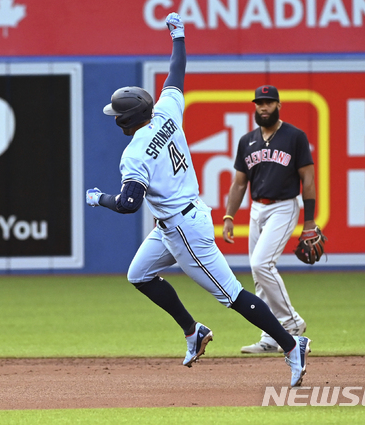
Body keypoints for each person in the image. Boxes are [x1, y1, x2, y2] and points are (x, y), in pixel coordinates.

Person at [86, 13, 310, 387]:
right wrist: (179, 36)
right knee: (139, 274)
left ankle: (291, 345)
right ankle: (194, 331)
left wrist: (99, 199)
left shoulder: (135, 154)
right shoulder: (166, 112)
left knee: (234, 296)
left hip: (185, 229)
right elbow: (177, 71)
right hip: (178, 220)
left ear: (125, 121)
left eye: (116, 115)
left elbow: (128, 204)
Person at [222, 85, 316, 354]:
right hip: (256, 209)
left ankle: (291, 323)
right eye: (259, 103)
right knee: (257, 272)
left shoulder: (294, 136)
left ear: (279, 105)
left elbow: (308, 179)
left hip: (284, 207)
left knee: (261, 263)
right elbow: (239, 183)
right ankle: (270, 335)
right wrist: (229, 215)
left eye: (269, 103)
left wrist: (309, 222)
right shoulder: (247, 140)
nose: (263, 107)